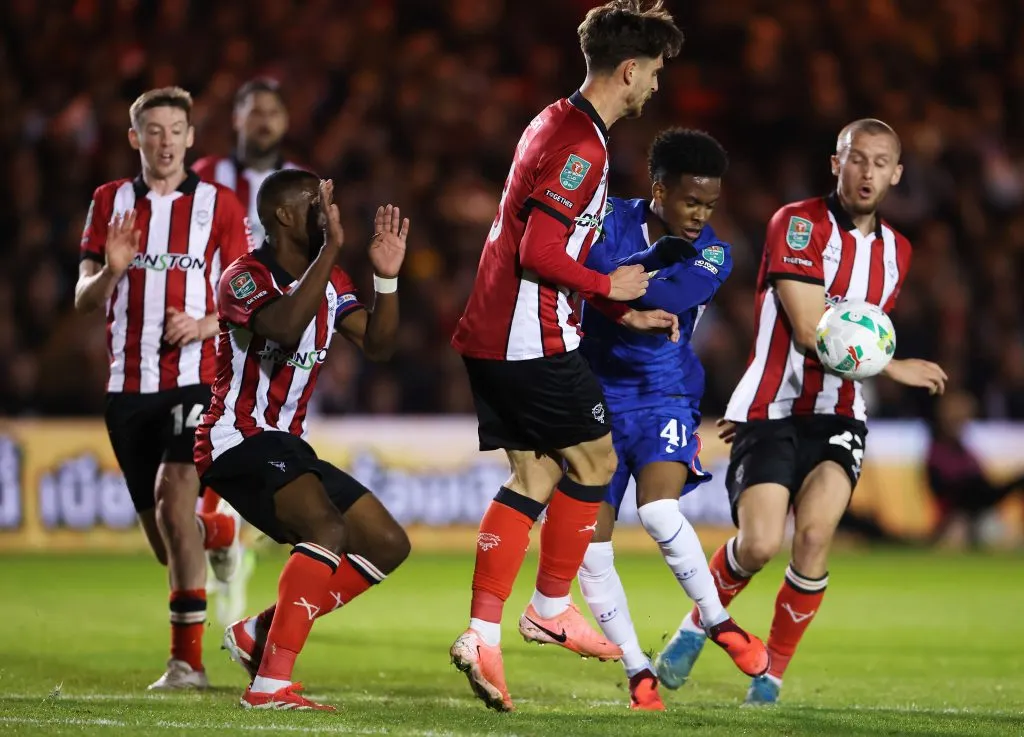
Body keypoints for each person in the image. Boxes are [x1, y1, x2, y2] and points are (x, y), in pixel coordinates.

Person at [655, 118, 948, 704]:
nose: (867, 173)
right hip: (771, 408)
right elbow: (814, 330)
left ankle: (771, 676)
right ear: (835, 163)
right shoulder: (797, 224)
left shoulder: (898, 251)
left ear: (897, 174)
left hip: (840, 413)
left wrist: (877, 370)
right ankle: (694, 629)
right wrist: (895, 367)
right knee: (760, 544)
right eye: (856, 159)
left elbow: (860, 331)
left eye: (880, 163)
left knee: (814, 539)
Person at [449, 0, 685, 712]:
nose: (656, 88)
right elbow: (538, 250)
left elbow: (542, 241)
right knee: (597, 460)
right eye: (655, 74)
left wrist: (618, 306)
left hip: (499, 330)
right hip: (531, 338)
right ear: (629, 70)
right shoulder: (585, 147)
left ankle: (482, 634)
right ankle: (550, 605)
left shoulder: (555, 120)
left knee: (537, 471)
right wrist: (606, 283)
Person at [194, 170, 412, 711]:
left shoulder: (333, 280)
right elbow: (286, 327)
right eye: (317, 205)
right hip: (235, 438)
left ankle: (259, 634)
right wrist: (333, 249)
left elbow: (380, 346)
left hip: (288, 443)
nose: (328, 212)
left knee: (387, 543)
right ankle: (269, 686)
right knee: (324, 527)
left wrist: (386, 280)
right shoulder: (243, 277)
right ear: (284, 216)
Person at [577, 128, 768, 711]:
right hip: (593, 398)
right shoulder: (604, 219)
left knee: (660, 510)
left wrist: (605, 287)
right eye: (690, 202)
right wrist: (605, 289)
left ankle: (718, 621)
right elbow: (573, 283)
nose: (700, 216)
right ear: (659, 190)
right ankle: (639, 670)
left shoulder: (715, 251)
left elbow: (652, 295)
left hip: (664, 393)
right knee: (590, 548)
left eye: (709, 204)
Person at [74, 86, 251, 690]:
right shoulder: (108, 202)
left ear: (191, 137)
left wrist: (204, 325)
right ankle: (220, 531)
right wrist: (112, 271)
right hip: (127, 389)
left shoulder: (220, 206)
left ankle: (187, 666)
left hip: (194, 380)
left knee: (176, 498)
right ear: (135, 139)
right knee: (169, 542)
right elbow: (81, 298)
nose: (166, 141)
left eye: (176, 130)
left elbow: (248, 295)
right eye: (153, 130)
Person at [194, 77, 296, 624]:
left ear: (284, 122)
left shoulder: (296, 185)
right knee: (223, 450)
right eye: (253, 111)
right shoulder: (207, 178)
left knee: (265, 464)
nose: (263, 121)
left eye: (272, 112)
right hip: (216, 335)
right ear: (235, 119)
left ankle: (232, 554)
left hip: (283, 344)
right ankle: (223, 560)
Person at [926, 391, 1024, 548]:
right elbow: (949, 493)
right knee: (959, 529)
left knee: (998, 530)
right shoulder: (936, 453)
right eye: (953, 418)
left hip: (981, 516)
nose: (957, 422)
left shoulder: (970, 455)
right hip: (953, 518)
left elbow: (986, 492)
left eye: (961, 418)